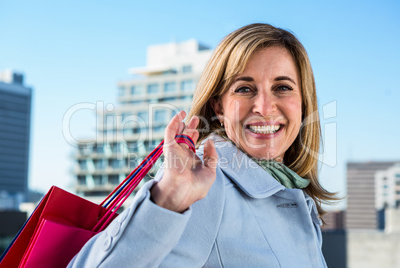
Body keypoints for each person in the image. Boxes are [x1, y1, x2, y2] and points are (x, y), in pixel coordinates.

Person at [68, 23, 337, 267]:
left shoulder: (294, 192)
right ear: (218, 106)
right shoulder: (207, 185)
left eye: (283, 87)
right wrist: (168, 200)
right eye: (244, 89)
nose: (264, 107)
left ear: (303, 102)